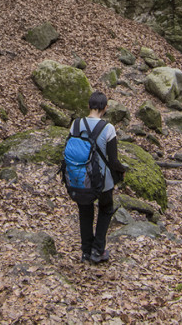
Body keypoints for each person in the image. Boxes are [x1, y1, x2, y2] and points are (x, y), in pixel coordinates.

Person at [70, 91, 125, 264]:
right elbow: (113, 160)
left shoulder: (75, 125)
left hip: (79, 177)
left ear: (89, 106)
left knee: (85, 211)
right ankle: (98, 250)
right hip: (101, 179)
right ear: (105, 108)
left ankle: (86, 251)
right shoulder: (108, 128)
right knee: (106, 209)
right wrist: (122, 171)